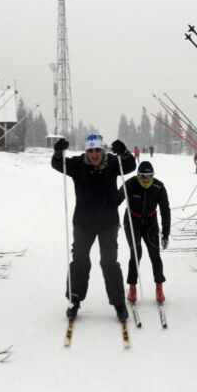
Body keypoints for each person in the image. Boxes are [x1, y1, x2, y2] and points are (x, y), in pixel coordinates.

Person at [52, 133, 136, 322]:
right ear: (86, 151)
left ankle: (119, 303)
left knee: (109, 262)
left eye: (98, 150)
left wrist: (124, 153)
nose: (95, 154)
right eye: (91, 150)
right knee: (80, 261)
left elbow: (130, 165)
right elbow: (58, 164)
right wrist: (58, 152)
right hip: (83, 222)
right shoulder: (77, 164)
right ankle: (74, 300)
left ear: (103, 149)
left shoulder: (114, 162)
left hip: (108, 222)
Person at [117, 160, 171, 303]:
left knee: (155, 254)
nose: (145, 179)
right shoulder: (130, 184)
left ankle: (159, 287)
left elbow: (165, 211)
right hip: (132, 221)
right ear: (138, 176)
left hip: (150, 223)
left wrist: (166, 234)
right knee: (136, 253)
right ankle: (132, 287)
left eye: (148, 176)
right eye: (142, 176)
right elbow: (115, 201)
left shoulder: (159, 187)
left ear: (152, 176)